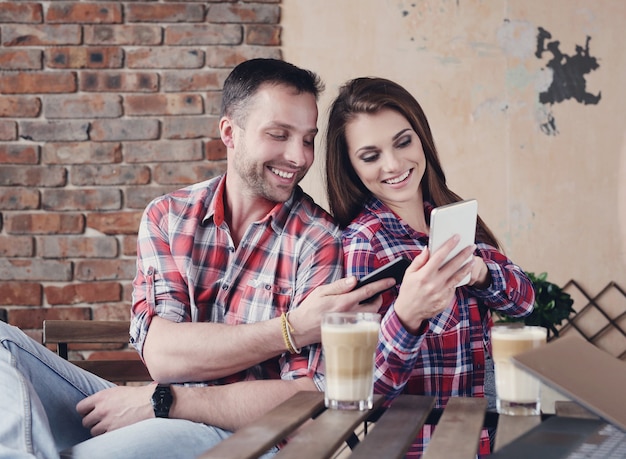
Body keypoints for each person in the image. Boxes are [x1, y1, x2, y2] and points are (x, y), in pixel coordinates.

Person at [0, 59, 395, 459]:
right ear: (229, 132)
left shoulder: (320, 239)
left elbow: (307, 397)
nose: (298, 156)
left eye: (308, 139)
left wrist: (165, 401)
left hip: (239, 434)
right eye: (279, 135)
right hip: (150, 405)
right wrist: (290, 329)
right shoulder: (168, 216)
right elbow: (163, 356)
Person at [325, 77, 535, 457]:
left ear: (421, 138)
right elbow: (363, 390)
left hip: (484, 441)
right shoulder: (364, 243)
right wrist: (407, 315)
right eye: (370, 156)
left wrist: (480, 272)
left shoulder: (452, 218)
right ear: (351, 167)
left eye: (403, 142)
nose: (393, 165)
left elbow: (524, 302)